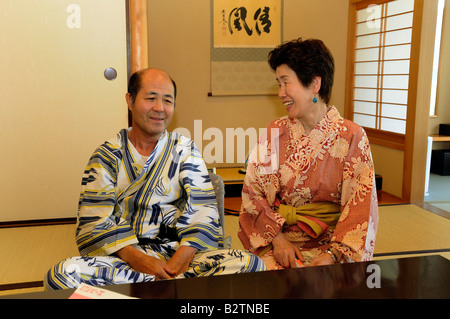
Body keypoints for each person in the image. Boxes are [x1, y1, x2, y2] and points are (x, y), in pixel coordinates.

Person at [45, 68, 265, 290]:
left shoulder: (184, 150)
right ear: (130, 101)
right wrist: (140, 260)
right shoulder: (106, 155)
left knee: (251, 265)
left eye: (167, 100)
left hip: (179, 257)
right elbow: (94, 221)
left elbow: (203, 211)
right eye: (151, 98)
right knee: (62, 276)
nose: (160, 108)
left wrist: (178, 262)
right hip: (124, 261)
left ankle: (155, 291)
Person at [238, 38, 379, 270]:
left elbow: (360, 208)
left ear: (315, 84)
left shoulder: (352, 136)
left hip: (332, 245)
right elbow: (252, 193)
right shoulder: (274, 131)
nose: (280, 93)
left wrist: (333, 256)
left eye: (286, 83)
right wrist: (277, 239)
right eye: (278, 84)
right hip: (278, 241)